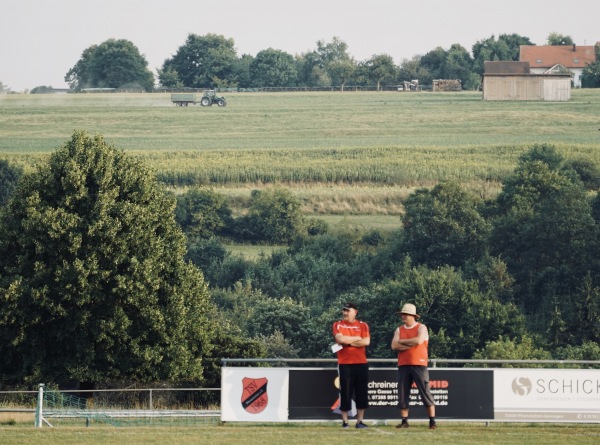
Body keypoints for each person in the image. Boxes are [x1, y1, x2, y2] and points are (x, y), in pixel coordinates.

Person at [391, 303, 437, 430]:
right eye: (402, 314)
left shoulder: (422, 327)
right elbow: (394, 346)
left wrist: (402, 341)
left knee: (425, 392)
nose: (403, 317)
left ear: (412, 316)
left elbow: (418, 341)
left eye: (405, 314)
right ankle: (404, 421)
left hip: (420, 364)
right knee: (403, 393)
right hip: (403, 364)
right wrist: (409, 344)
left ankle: (432, 421)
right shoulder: (399, 329)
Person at [332, 302, 370, 429]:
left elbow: (366, 341)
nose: (345, 313)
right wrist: (356, 338)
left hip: (361, 364)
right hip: (345, 364)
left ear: (355, 312)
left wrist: (348, 341)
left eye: (348, 310)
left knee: (361, 393)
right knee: (346, 393)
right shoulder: (338, 324)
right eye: (344, 310)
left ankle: (359, 421)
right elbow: (340, 340)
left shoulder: (363, 325)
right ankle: (345, 422)